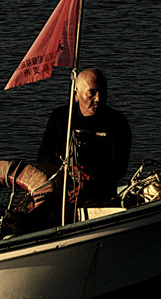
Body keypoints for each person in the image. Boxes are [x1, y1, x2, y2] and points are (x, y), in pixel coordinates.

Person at [36, 67, 132, 211]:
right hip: (63, 195)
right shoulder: (61, 117)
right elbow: (43, 158)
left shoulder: (117, 122)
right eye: (92, 93)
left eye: (102, 92)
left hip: (100, 196)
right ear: (76, 94)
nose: (98, 99)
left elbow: (119, 168)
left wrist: (89, 178)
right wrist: (66, 172)